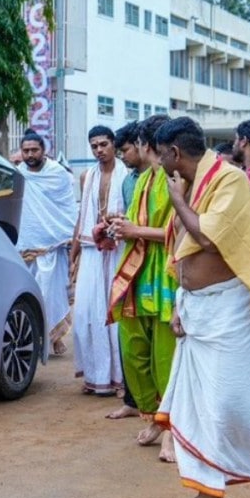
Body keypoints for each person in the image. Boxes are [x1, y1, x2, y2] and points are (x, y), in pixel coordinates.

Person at [154, 116, 250, 498]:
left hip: (231, 308)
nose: (159, 163)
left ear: (174, 153)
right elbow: (183, 248)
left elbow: (210, 237)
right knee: (197, 407)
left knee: (233, 402)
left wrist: (177, 200)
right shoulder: (192, 181)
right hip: (197, 307)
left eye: (161, 155)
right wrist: (180, 301)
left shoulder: (229, 180)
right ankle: (208, 495)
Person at [107, 114, 178, 463]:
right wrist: (120, 227)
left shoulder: (175, 179)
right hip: (136, 276)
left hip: (165, 277)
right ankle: (152, 415)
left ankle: (172, 432)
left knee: (166, 360)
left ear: (144, 145)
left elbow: (185, 233)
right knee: (134, 353)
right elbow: (137, 223)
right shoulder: (143, 179)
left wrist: (137, 232)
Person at [71, 126, 126, 397]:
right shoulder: (87, 176)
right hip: (91, 251)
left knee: (115, 314)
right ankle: (95, 375)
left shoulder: (127, 176)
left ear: (113, 144)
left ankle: (119, 379)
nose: (99, 150)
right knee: (85, 316)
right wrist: (74, 254)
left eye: (103, 144)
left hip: (118, 249)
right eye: (94, 146)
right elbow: (82, 216)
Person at [15, 130, 78, 356]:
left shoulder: (58, 174)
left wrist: (69, 236)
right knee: (29, 295)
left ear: (44, 151)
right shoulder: (18, 174)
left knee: (51, 294)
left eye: (34, 150)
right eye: (26, 150)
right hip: (25, 247)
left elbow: (67, 209)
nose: (30, 154)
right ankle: (33, 339)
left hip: (51, 247)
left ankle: (54, 337)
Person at [106, 121, 145, 420]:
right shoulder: (130, 180)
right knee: (127, 332)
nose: (122, 157)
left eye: (125, 150)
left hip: (154, 263)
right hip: (130, 259)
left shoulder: (163, 179)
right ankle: (132, 400)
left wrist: (134, 228)